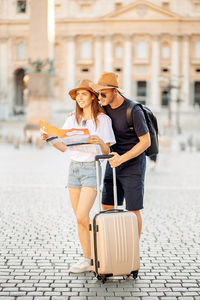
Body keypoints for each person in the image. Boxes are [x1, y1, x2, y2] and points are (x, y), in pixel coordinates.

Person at [40, 79, 116, 273]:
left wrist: (99, 140)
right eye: (77, 95)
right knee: (80, 219)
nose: (80, 98)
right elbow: (64, 147)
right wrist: (49, 138)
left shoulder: (104, 120)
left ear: (93, 96)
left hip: (92, 168)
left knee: (83, 215)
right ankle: (88, 260)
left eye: (84, 94)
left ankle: (96, 255)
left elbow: (107, 150)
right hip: (74, 169)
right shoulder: (72, 118)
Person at [90, 72, 151, 238]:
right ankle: (111, 246)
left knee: (133, 210)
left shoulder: (133, 110)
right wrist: (74, 115)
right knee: (106, 205)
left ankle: (133, 251)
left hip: (133, 165)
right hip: (113, 163)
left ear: (115, 92)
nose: (99, 97)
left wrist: (122, 158)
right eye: (98, 93)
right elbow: (87, 112)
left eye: (103, 93)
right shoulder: (104, 107)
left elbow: (146, 142)